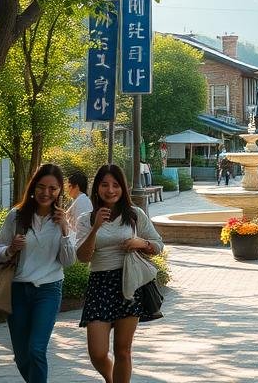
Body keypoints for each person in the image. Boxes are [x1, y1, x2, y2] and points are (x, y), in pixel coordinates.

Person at [77, 164, 165, 383]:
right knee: (97, 353)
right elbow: (83, 257)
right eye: (104, 185)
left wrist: (140, 242)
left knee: (123, 351)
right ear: (96, 188)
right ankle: (111, 379)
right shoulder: (85, 219)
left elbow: (158, 245)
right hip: (100, 284)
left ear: (123, 188)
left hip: (129, 283)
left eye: (115, 185)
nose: (110, 190)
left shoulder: (135, 215)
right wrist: (96, 227)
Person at [0, 163, 77, 383]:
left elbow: (68, 261)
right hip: (18, 291)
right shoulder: (16, 216)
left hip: (48, 291)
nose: (46, 193)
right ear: (33, 187)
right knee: (21, 356)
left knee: (36, 349)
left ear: (59, 191)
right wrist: (10, 249)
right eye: (41, 187)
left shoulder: (62, 221)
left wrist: (65, 230)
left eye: (53, 188)